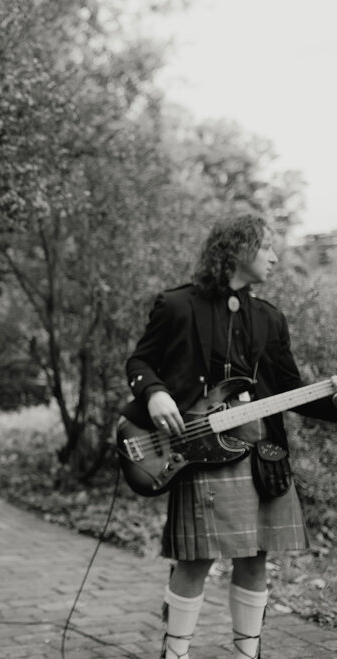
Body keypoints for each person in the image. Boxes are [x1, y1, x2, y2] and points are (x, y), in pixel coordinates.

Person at [122, 214, 337, 659]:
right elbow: (139, 364)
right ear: (238, 249)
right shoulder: (178, 306)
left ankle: (247, 653)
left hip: (261, 453)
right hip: (198, 447)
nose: (276, 258)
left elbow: (291, 391)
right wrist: (155, 393)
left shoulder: (270, 319)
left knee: (256, 555)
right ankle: (176, 653)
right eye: (267, 248)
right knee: (197, 558)